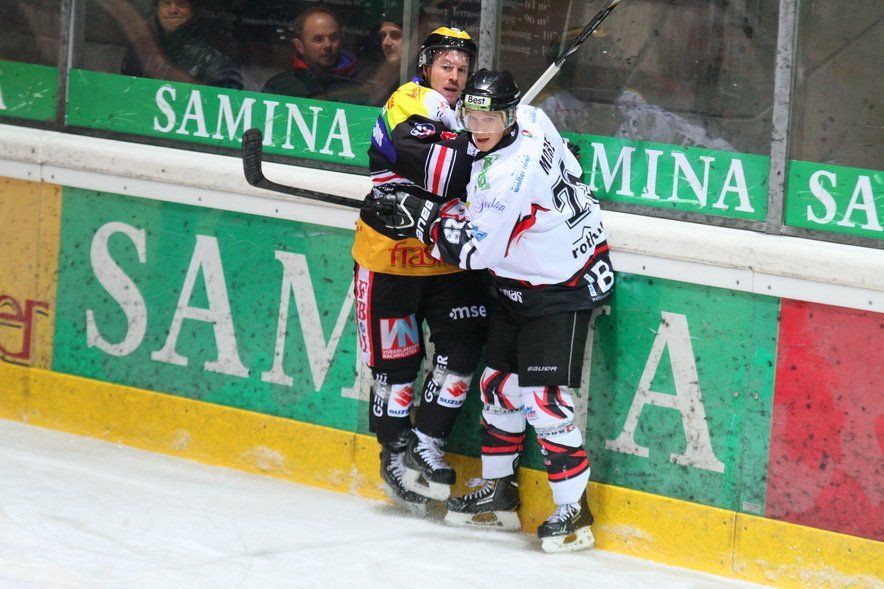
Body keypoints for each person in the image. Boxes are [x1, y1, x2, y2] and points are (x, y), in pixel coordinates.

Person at [367, 69, 615, 553]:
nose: (479, 128)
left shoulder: (507, 177)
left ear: (509, 116)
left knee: (543, 400)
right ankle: (499, 494)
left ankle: (574, 510)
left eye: (490, 119)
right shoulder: (533, 117)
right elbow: (565, 167)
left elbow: (473, 252)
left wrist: (421, 217)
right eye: (472, 116)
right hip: (520, 278)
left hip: (560, 284)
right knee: (498, 386)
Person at [352, 27, 487, 512]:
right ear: (427, 67)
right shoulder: (408, 102)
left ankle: (426, 443)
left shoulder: (471, 113)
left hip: (449, 264)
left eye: (463, 69)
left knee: (461, 355)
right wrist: (491, 147)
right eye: (446, 66)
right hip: (390, 261)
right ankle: (394, 452)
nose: (454, 76)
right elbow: (443, 171)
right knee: (396, 369)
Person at [113, 0, 244, 89]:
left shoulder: (216, 60)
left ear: (194, 11)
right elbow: (126, 94)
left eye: (181, 4)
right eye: (166, 3)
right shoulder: (138, 50)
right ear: (157, 10)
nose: (172, 10)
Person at [261, 6, 360, 102]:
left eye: (334, 38)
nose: (328, 45)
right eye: (318, 39)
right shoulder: (279, 87)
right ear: (300, 46)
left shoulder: (358, 89)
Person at [354, 18, 404, 106]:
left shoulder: (427, 79)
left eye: (395, 35)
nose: (386, 43)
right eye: (383, 35)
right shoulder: (368, 75)